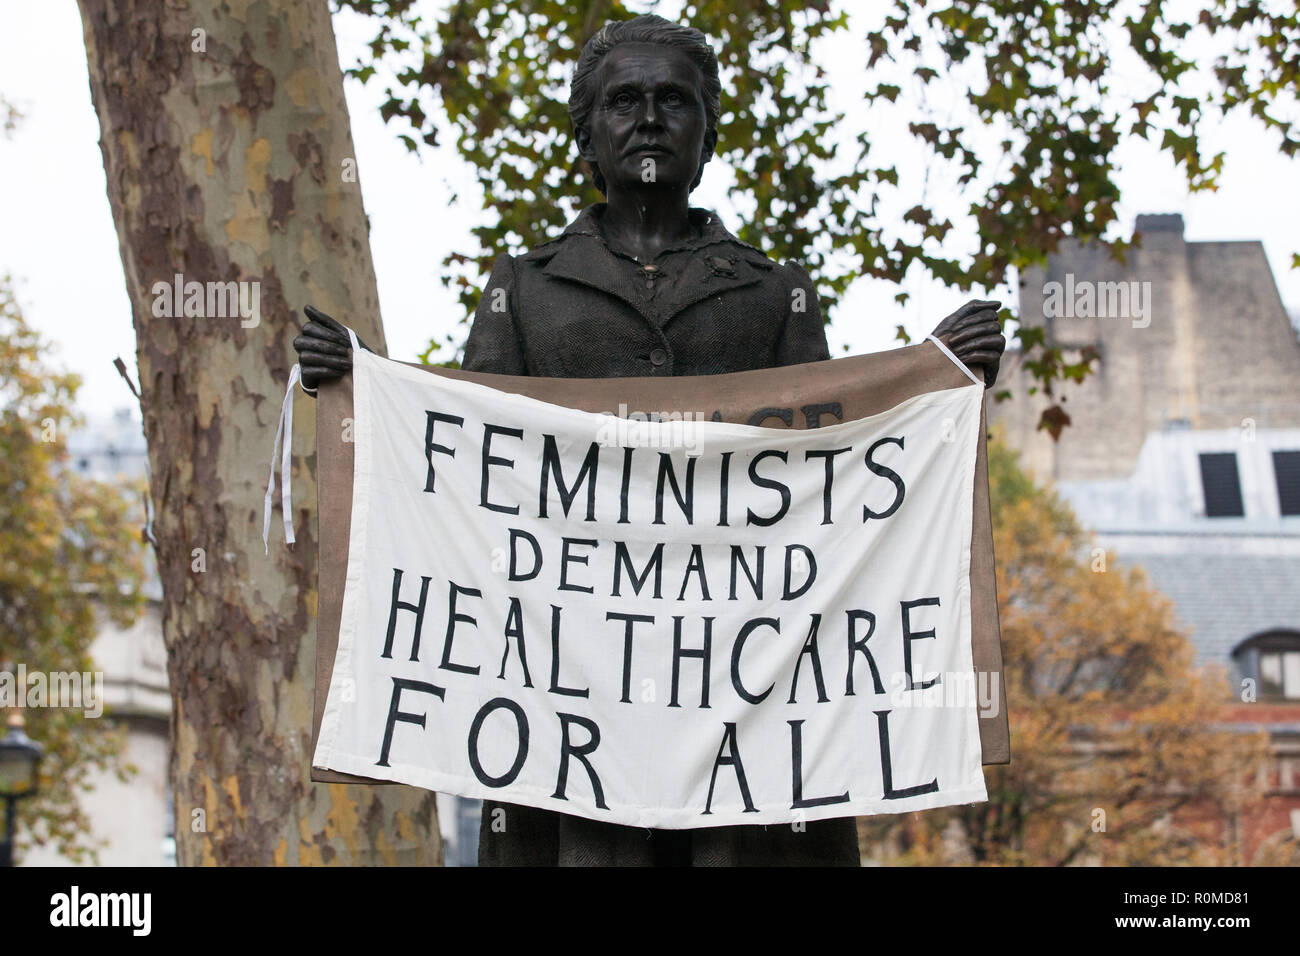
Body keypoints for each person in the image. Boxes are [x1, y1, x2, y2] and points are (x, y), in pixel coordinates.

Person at [294, 13, 1004, 866]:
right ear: (586, 135)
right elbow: (465, 475)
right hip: (572, 723)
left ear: (708, 133)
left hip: (748, 725)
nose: (649, 117)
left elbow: (838, 478)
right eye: (623, 100)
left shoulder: (775, 293)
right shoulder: (524, 289)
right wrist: (362, 388)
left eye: (674, 99)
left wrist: (932, 385)